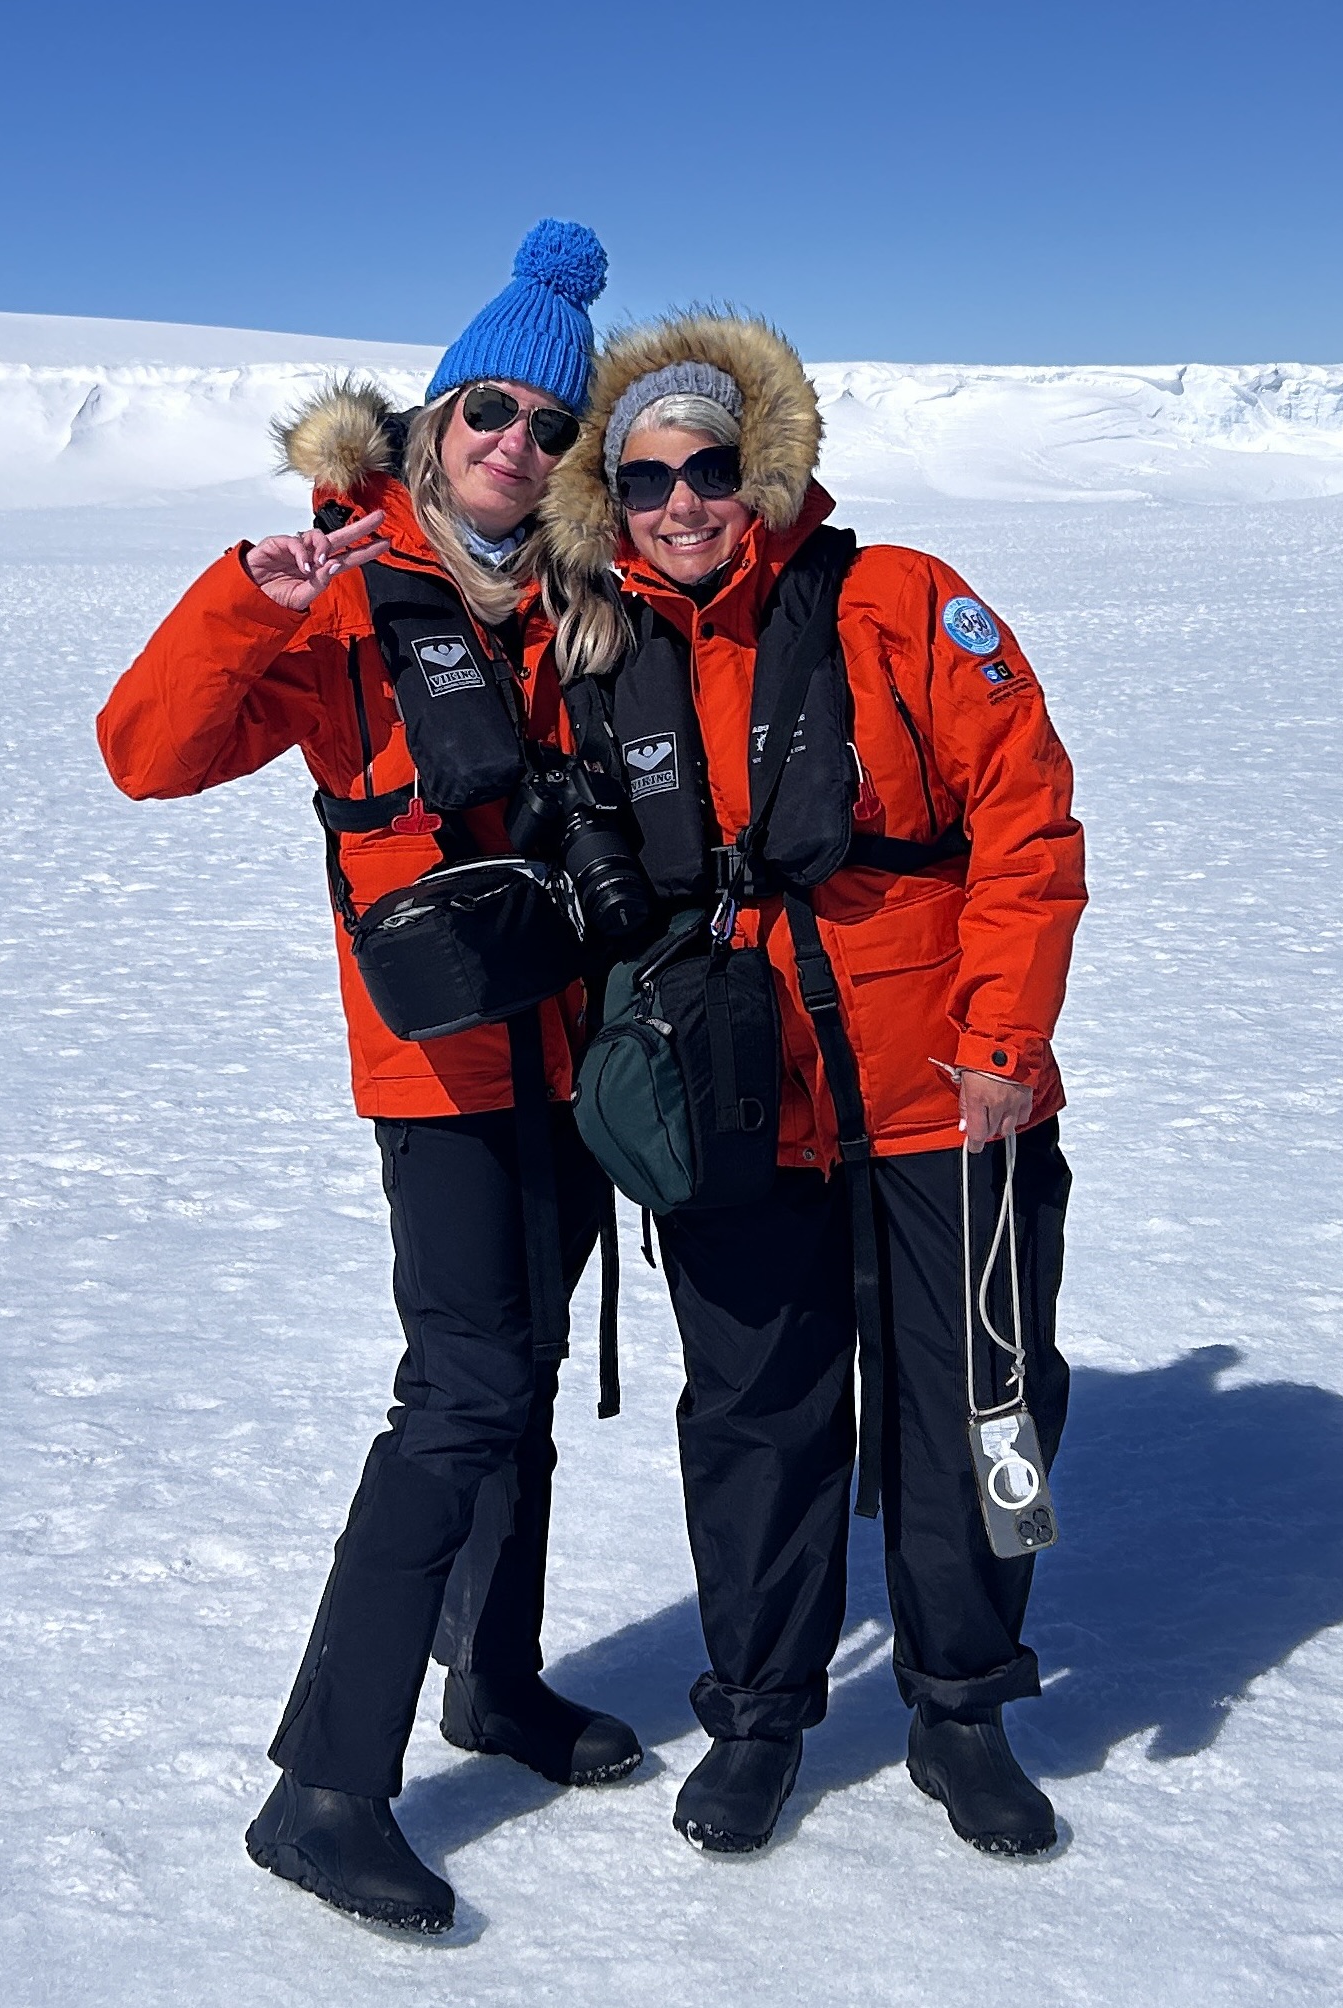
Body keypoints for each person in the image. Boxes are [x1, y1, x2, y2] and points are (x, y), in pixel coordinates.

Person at [95, 221, 640, 1936]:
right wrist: (243, 601)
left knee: (526, 1372)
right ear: (433, 420)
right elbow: (145, 756)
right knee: (464, 1392)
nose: (516, 446)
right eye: (490, 410)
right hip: (437, 1069)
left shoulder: (583, 600)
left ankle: (496, 1678)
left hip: (568, 1051)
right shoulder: (343, 592)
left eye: (553, 431)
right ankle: (325, 1785)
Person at [540, 313, 1087, 1856]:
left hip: (946, 1104)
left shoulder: (902, 602)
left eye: (711, 466)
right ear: (610, 499)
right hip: (735, 1115)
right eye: (646, 481)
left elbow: (1028, 820)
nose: (684, 503)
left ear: (763, 467)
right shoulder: (600, 648)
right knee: (757, 1421)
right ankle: (763, 1710)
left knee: (979, 1395)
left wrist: (1000, 1042)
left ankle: (965, 1703)